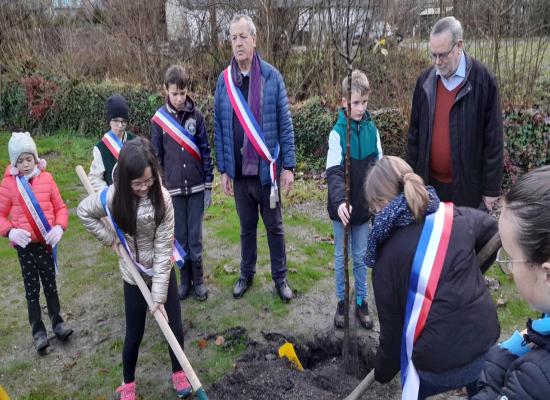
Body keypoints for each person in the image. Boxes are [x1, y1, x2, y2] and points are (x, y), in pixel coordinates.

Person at [365, 156, 499, 399]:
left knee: (413, 386)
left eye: (373, 207)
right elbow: (492, 231)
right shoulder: (454, 216)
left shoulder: (384, 262)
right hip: (485, 346)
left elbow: (393, 335)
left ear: (382, 203)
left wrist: (382, 372)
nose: (373, 213)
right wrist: (468, 273)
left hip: (435, 367)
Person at [77, 138, 191, 400]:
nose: (143, 187)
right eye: (137, 183)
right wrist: (110, 239)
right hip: (132, 276)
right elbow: (84, 212)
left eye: (148, 181)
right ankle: (128, 382)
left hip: (160, 269)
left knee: (173, 326)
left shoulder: (163, 199)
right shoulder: (114, 196)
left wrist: (159, 296)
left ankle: (179, 372)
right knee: (134, 333)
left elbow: (164, 249)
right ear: (126, 180)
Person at [214, 14, 296, 302]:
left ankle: (281, 278)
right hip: (239, 173)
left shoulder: (273, 77)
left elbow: (285, 124)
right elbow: (220, 128)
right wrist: (223, 169)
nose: (238, 43)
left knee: (275, 228)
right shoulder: (223, 82)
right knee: (246, 229)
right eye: (233, 38)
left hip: (266, 173)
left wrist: (288, 167)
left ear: (254, 39)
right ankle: (246, 274)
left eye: (243, 37)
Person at [406, 16, 503, 210]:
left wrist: (491, 191)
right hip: (429, 187)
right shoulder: (425, 81)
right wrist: (411, 179)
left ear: (459, 46)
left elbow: (494, 141)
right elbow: (414, 135)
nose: (437, 62)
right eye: (432, 55)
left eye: (442, 55)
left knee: (461, 240)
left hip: (468, 191)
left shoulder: (483, 81)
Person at [473, 166, 550, 400]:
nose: (508, 269)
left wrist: (493, 374)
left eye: (510, 258)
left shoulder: (534, 381)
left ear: (547, 274)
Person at [0, 132, 73, 353]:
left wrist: (60, 226)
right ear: (14, 162)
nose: (24, 164)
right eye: (19, 160)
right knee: (32, 290)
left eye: (28, 159)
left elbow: (60, 208)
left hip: (45, 244)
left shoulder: (48, 179)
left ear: (35, 157)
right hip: (25, 248)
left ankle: (58, 323)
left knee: (50, 286)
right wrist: (10, 232)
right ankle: (38, 332)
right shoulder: (9, 185)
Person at [326, 69, 382, 330]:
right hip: (343, 211)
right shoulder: (337, 134)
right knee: (341, 257)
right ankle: (341, 301)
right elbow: (334, 173)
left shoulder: (373, 132)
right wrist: (339, 202)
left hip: (363, 210)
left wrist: (378, 200)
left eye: (364, 102)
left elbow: (379, 171)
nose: (360, 108)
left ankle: (361, 301)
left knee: (360, 257)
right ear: (344, 103)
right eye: (355, 103)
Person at [151, 65, 213, 301]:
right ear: (165, 90)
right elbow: (156, 158)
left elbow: (205, 151)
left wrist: (208, 184)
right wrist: (160, 191)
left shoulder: (196, 117)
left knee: (195, 235)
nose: (179, 98)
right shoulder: (159, 122)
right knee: (180, 237)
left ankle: (198, 280)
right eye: (174, 93)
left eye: (183, 93)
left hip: (196, 188)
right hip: (173, 191)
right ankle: (184, 279)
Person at [88, 94, 136, 192]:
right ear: (109, 121)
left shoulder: (135, 141)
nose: (120, 125)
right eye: (116, 121)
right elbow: (95, 178)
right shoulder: (100, 148)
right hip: (114, 199)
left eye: (123, 121)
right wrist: (109, 193)